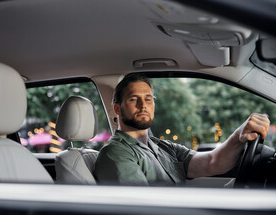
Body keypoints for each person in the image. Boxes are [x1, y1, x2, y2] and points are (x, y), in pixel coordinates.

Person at [93, 74, 270, 185]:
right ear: (117, 108)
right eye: (133, 99)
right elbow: (144, 212)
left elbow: (211, 162)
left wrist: (238, 136)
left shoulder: (162, 146)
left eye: (148, 99)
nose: (143, 105)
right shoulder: (116, 153)